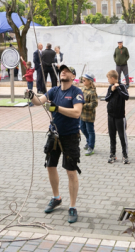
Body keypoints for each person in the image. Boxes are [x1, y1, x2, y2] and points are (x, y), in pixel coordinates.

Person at [29, 65, 85, 224]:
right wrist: (31, 94)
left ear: (73, 76)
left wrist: (56, 108)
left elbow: (76, 112)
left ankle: (72, 206)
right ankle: (56, 197)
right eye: (62, 71)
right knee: (50, 166)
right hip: (53, 135)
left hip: (70, 137)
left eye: (66, 71)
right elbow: (39, 101)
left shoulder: (76, 92)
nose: (63, 72)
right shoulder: (54, 91)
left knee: (71, 171)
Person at [103, 70, 130, 163]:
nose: (108, 80)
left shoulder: (122, 86)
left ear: (113, 78)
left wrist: (118, 89)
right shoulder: (110, 87)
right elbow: (106, 99)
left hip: (120, 116)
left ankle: (125, 156)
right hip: (110, 116)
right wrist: (112, 91)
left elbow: (126, 97)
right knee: (112, 136)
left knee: (122, 136)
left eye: (108, 78)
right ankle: (112, 154)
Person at [79, 73, 98, 156]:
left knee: (90, 131)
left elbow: (94, 104)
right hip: (81, 114)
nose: (82, 81)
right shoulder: (82, 89)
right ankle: (89, 141)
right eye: (82, 79)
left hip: (89, 115)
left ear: (90, 81)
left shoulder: (92, 92)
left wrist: (83, 105)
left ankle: (91, 146)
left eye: (84, 80)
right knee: (82, 128)